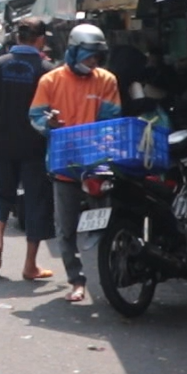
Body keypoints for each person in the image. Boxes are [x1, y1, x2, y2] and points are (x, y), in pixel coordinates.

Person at [32, 24, 123, 305]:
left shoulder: (106, 80)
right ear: (73, 52)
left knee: (108, 223)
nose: (92, 62)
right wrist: (49, 124)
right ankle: (77, 280)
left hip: (98, 163)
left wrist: (105, 138)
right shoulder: (50, 80)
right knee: (66, 228)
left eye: (97, 57)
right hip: (64, 163)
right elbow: (35, 116)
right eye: (88, 56)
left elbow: (111, 117)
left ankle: (113, 274)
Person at [0, 20, 57, 281]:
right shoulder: (47, 70)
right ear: (40, 39)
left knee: (1, 196)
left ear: (17, 37)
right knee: (36, 204)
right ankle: (30, 265)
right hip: (35, 146)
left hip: (4, 144)